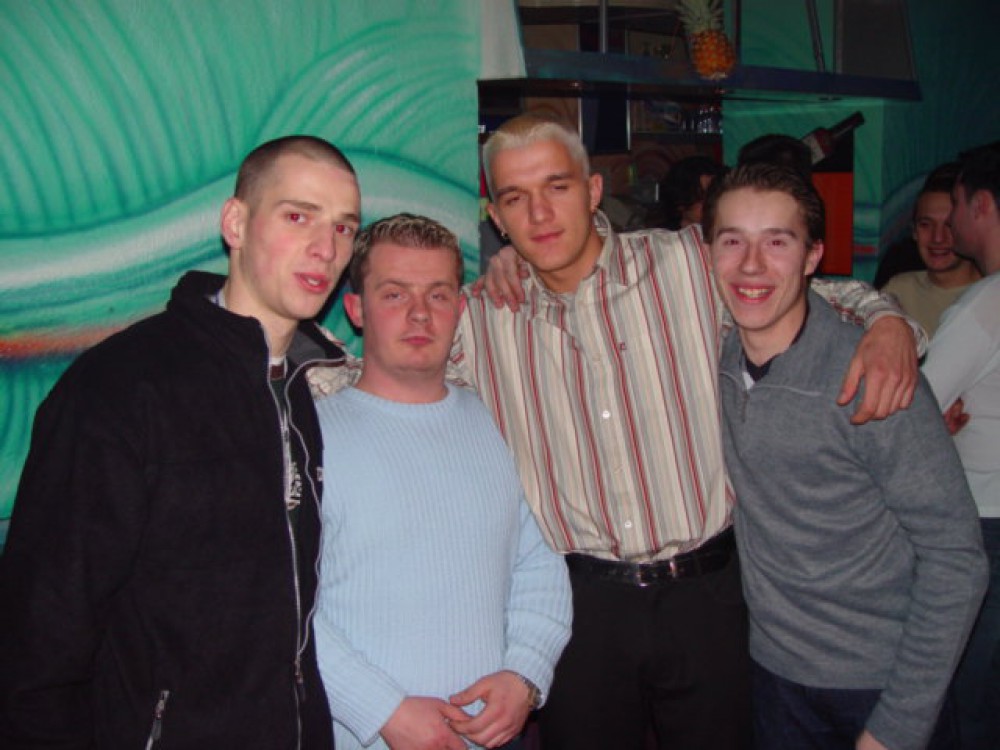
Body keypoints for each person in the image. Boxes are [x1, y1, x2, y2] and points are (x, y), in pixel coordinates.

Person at [443, 112, 923, 750]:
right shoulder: (478, 320)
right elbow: (376, 376)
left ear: (592, 190)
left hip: (712, 594)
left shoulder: (687, 263)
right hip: (578, 603)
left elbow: (805, 290)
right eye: (515, 198)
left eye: (557, 187)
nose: (539, 213)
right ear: (497, 219)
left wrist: (887, 322)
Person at [0, 135, 361, 747]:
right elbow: (41, 637)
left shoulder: (301, 388)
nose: (325, 249)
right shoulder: (121, 386)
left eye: (344, 227)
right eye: (298, 217)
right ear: (236, 223)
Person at [704, 162, 988, 750]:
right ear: (709, 253)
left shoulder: (873, 378)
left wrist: (897, 726)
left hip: (882, 682)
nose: (751, 264)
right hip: (774, 677)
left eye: (777, 242)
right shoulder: (715, 354)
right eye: (732, 241)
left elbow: (957, 559)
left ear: (813, 256)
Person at [311, 213, 572, 750]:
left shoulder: (501, 422)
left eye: (437, 294)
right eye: (394, 294)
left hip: (492, 737)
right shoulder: (309, 438)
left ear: (459, 306)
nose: (419, 314)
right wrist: (382, 710)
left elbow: (539, 562)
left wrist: (525, 673)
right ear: (356, 309)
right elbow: (284, 603)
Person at [922, 141, 1000, 750]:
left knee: (967, 702)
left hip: (983, 523)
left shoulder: (984, 307)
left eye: (956, 205)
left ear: (983, 205)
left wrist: (931, 423)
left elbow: (909, 409)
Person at [883, 164, 981, 336]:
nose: (937, 238)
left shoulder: (989, 293)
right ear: (914, 231)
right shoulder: (899, 291)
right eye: (926, 225)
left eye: (949, 225)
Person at [659, 153, 728, 229]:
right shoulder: (661, 235)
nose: (713, 201)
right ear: (680, 204)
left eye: (716, 192)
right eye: (702, 195)